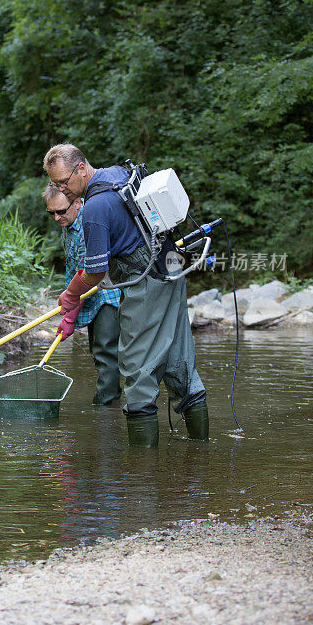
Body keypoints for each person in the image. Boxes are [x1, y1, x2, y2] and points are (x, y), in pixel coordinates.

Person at [43, 143, 208, 447]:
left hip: (144, 283)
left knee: (136, 370)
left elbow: (93, 272)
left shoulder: (93, 209)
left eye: (64, 182)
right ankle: (201, 454)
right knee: (178, 362)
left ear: (81, 168)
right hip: (171, 270)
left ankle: (141, 476)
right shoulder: (117, 173)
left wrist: (70, 295)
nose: (62, 190)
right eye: (55, 184)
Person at [42, 183, 121, 406]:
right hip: (89, 294)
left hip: (108, 293)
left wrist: (70, 316)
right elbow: (72, 271)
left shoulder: (89, 223)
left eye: (61, 211)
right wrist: (68, 312)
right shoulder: (68, 228)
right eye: (51, 213)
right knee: (97, 351)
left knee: (105, 351)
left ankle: (106, 406)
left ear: (77, 202)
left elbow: (88, 274)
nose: (56, 218)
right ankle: (112, 397)